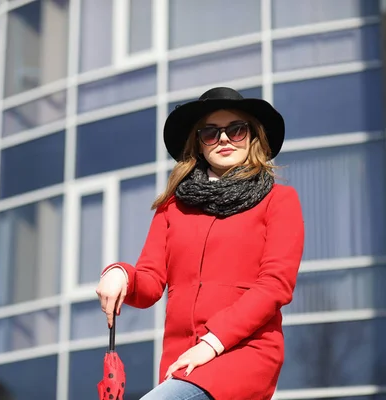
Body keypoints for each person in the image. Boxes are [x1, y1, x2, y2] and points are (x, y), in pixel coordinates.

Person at [95, 87, 305, 400]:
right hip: (182, 361)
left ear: (252, 137)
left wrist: (212, 342)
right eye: (210, 133)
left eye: (236, 130)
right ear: (199, 143)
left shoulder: (279, 201)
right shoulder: (172, 207)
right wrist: (120, 273)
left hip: (243, 354)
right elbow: (150, 282)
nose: (223, 139)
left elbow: (275, 285)